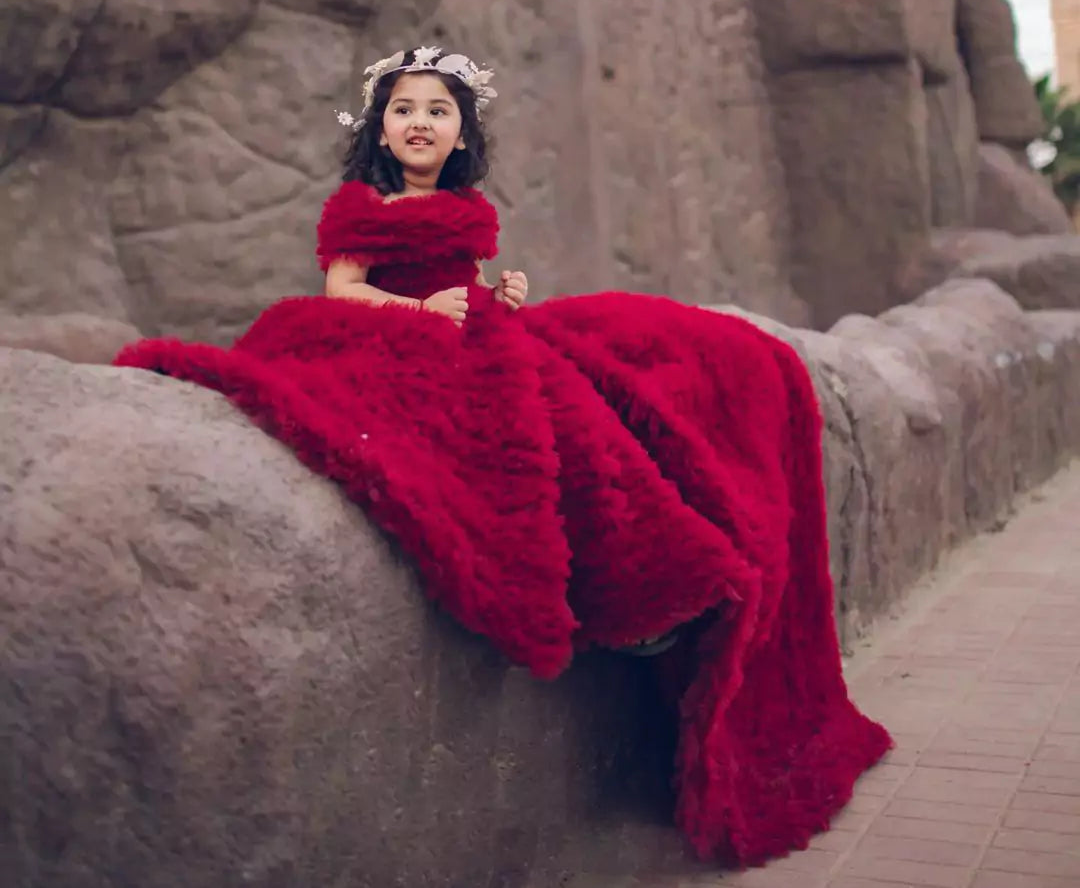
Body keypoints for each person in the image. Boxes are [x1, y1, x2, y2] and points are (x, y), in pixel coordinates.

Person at [116, 45, 889, 867]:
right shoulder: (360, 207)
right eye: (405, 109)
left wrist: (494, 298)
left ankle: (655, 587)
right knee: (516, 424)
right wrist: (420, 311)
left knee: (582, 402)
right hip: (403, 333)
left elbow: (470, 290)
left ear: (460, 135)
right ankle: (629, 597)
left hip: (470, 329)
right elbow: (344, 292)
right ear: (381, 127)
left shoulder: (463, 212)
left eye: (438, 112)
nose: (420, 123)